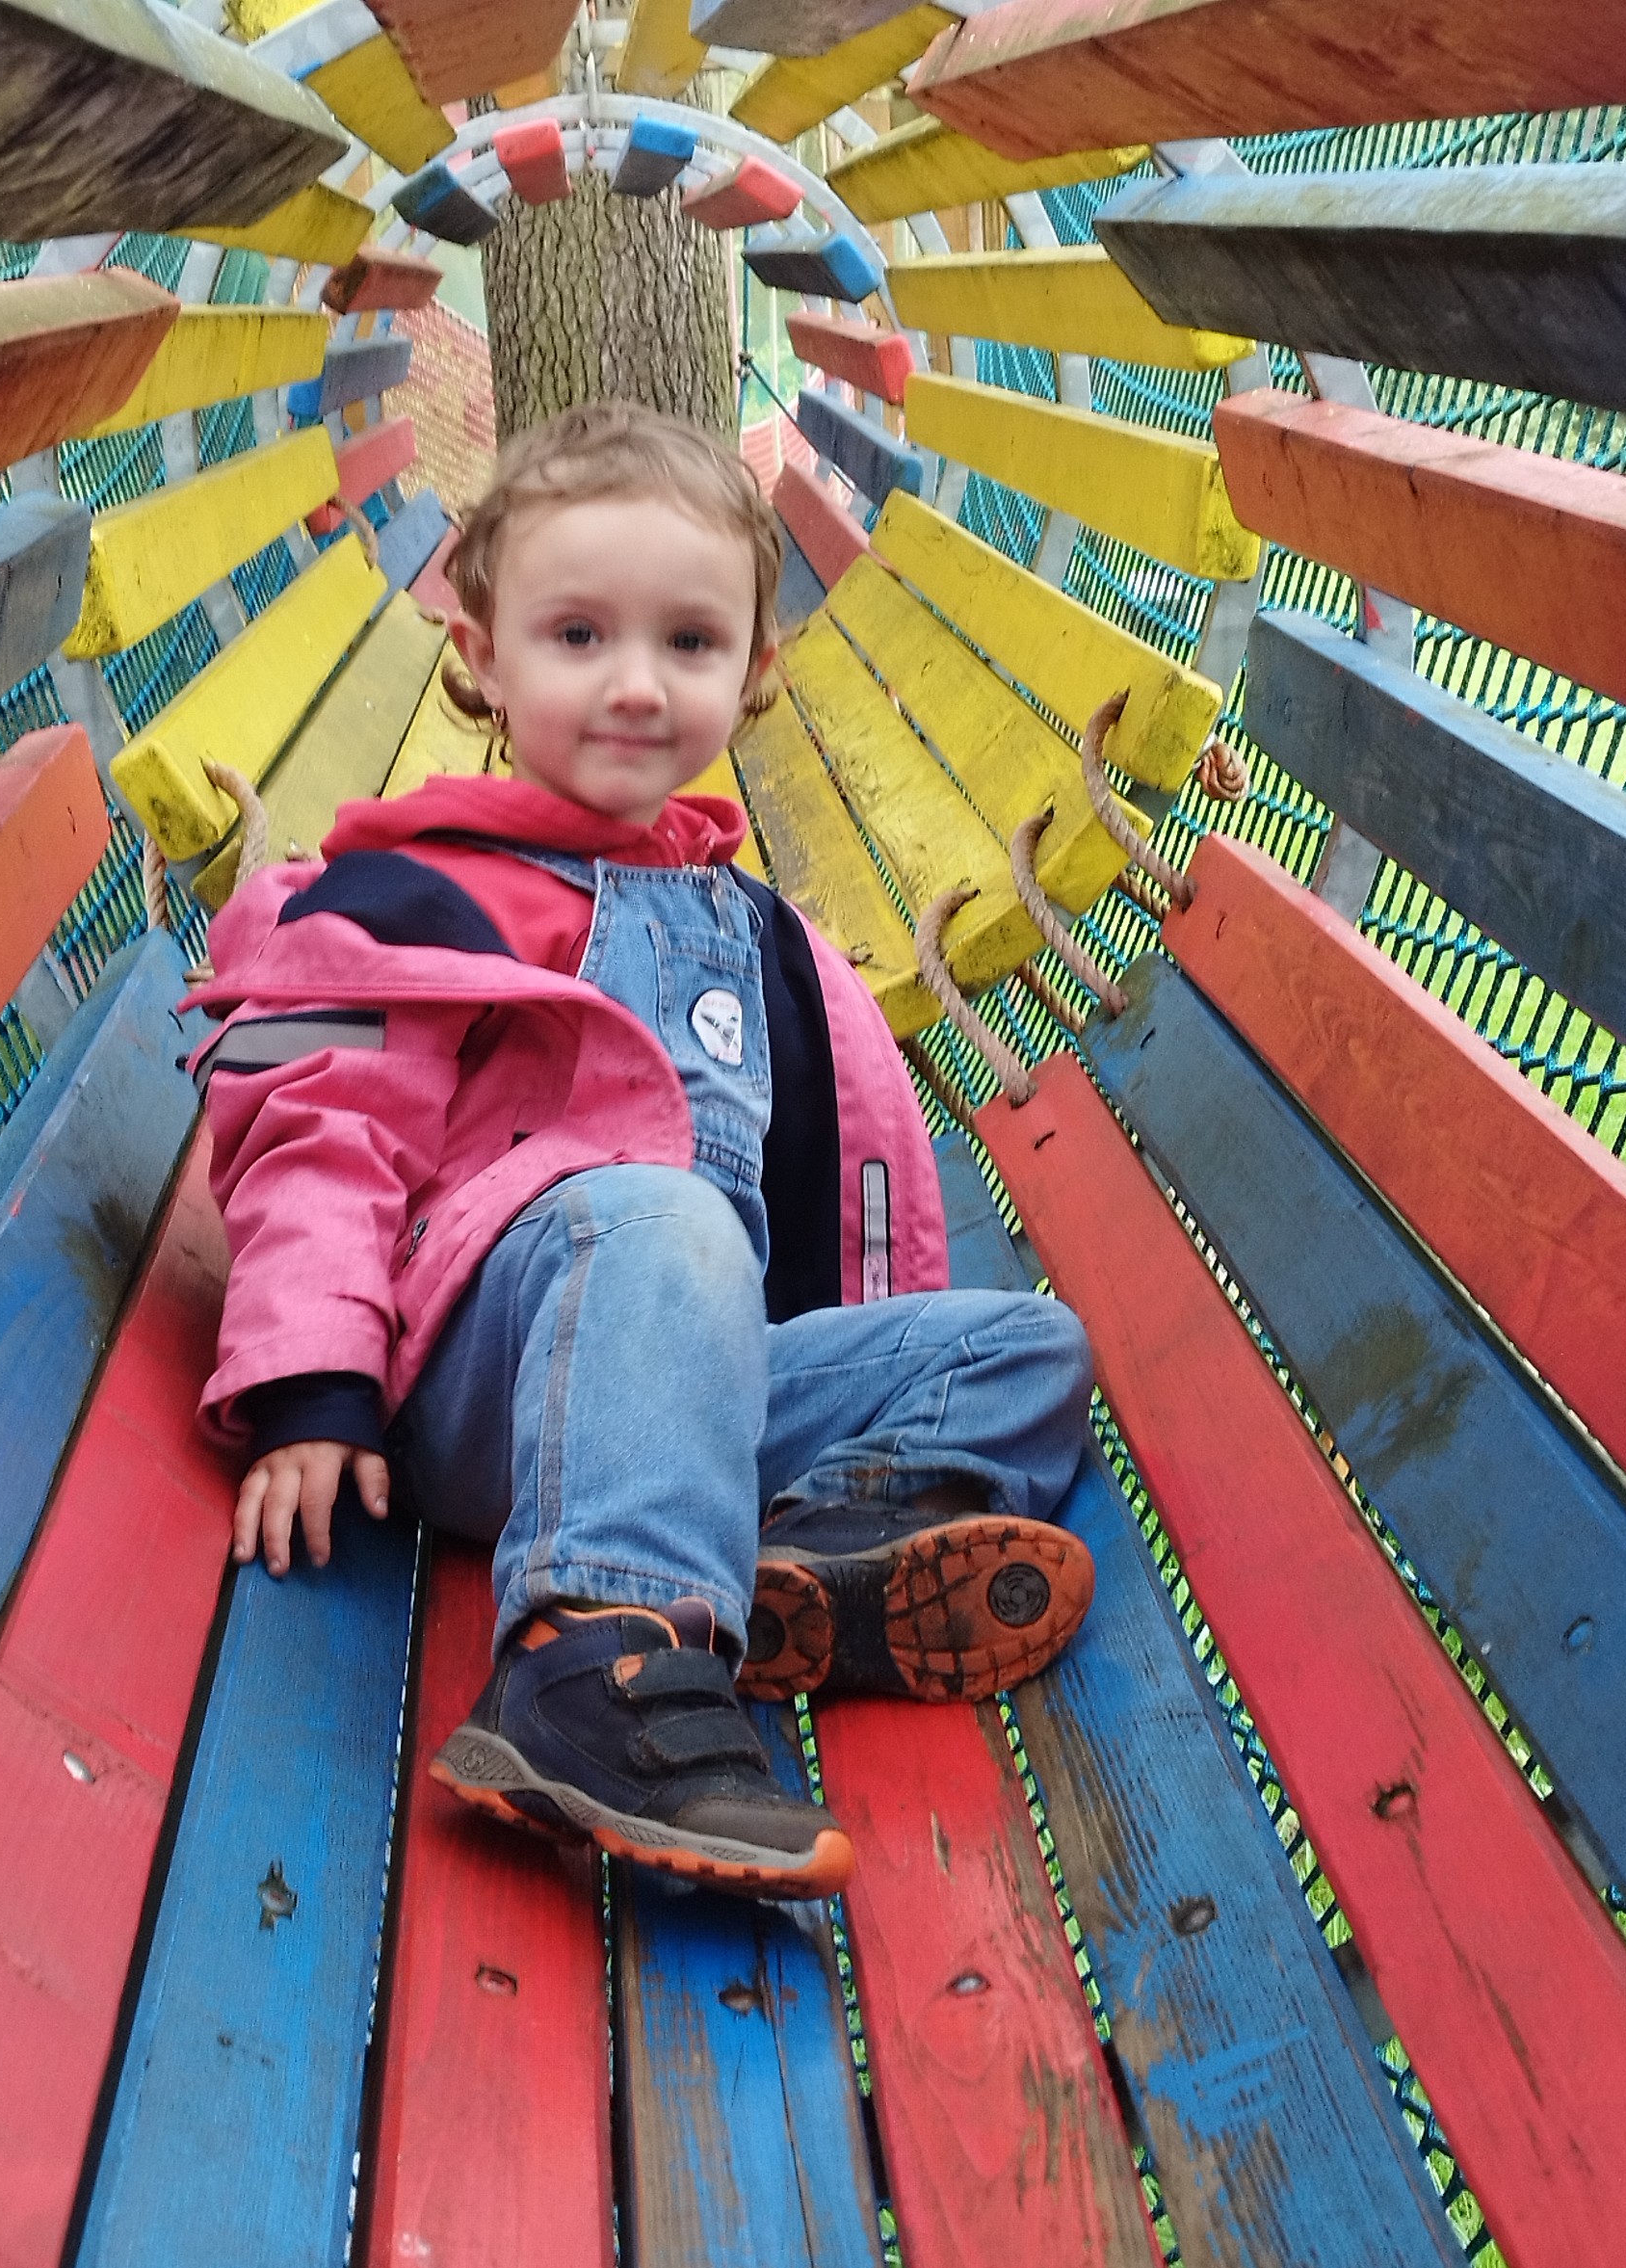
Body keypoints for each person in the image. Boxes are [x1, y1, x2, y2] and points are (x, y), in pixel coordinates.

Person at [190, 400, 1096, 1902]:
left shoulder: (759, 931)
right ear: (482, 655)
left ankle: (801, 1553)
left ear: (753, 670)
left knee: (1024, 1350)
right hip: (481, 1375)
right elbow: (318, 1127)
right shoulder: (421, 890)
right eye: (577, 635)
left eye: (687, 641)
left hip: (685, 1392)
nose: (634, 682)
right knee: (660, 1217)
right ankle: (589, 1669)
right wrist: (312, 1380)